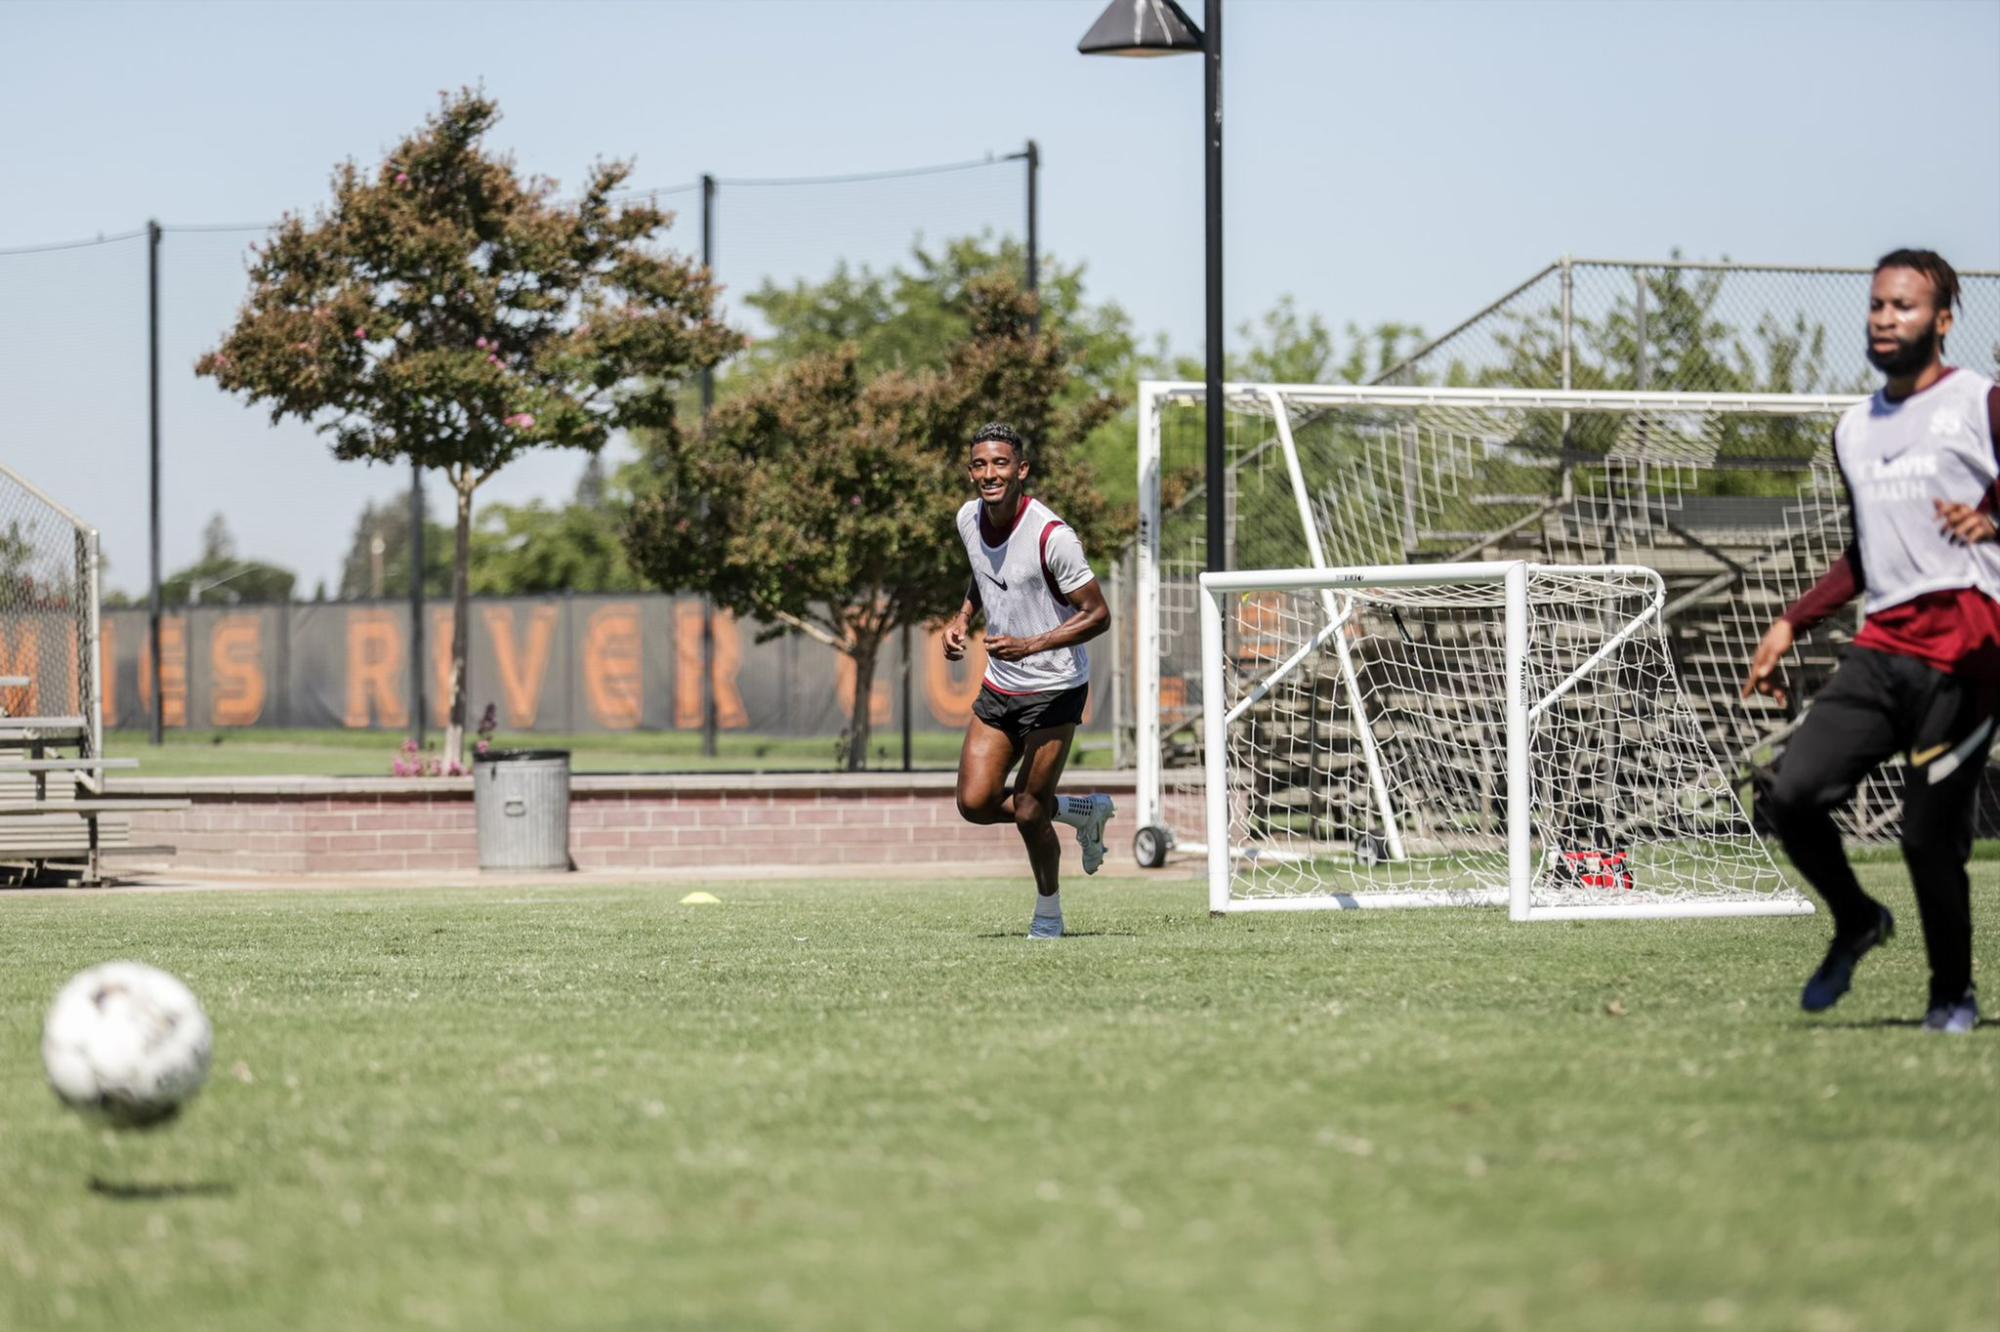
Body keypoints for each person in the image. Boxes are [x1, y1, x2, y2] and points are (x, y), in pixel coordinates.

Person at [1744, 249, 1996, 1034]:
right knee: (1792, 796)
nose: (1887, 318)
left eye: (1907, 306)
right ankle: (1857, 919)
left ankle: (1951, 995)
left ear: (1944, 321)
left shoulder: (1981, 405)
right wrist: (1793, 620)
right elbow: (1867, 549)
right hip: (1884, 646)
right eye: (1879, 305)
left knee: (1928, 836)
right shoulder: (1854, 430)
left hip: (1970, 651)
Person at [943, 421, 1114, 939]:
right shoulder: (968, 518)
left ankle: (1049, 914)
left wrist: (1031, 644)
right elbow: (983, 569)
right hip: (1001, 686)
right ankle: (1082, 811)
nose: (989, 473)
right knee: (974, 804)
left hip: (1055, 687)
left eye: (1000, 464)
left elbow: (1098, 615)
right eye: (979, 464)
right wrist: (961, 619)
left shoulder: (1051, 536)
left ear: (1021, 470)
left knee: (1028, 811)